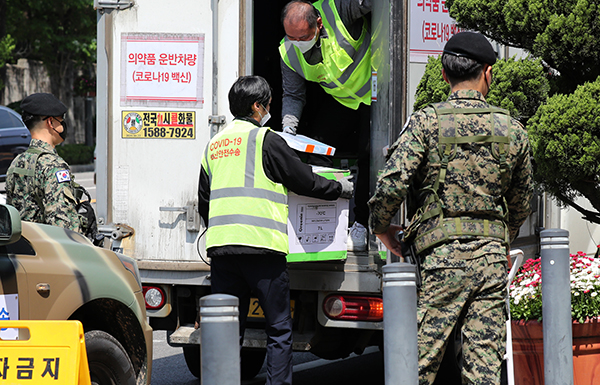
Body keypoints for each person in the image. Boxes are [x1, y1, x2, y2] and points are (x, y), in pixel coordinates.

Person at [368, 32, 534, 384]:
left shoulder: (426, 122)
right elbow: (521, 203)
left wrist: (381, 228)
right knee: (484, 371)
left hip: (440, 260)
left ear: (444, 75)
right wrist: (501, 241)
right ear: (488, 72)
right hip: (490, 262)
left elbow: (391, 184)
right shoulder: (512, 129)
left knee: (415, 368)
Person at [197, 75, 353, 385]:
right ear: (257, 107)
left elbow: (204, 201)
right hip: (262, 251)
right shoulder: (267, 140)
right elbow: (304, 180)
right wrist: (340, 188)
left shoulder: (213, 145)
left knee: (228, 329)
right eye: (268, 104)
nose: (269, 110)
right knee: (279, 328)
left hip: (223, 251)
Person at [279, 0, 372, 251]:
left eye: (303, 36)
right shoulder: (288, 52)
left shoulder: (339, 10)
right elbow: (293, 95)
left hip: (374, 97)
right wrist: (289, 131)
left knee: (367, 154)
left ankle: (361, 223)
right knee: (314, 149)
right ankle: (319, 222)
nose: (297, 42)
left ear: (318, 24)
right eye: (291, 37)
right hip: (342, 101)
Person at [6, 93, 83, 234]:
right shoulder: (54, 166)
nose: (62, 125)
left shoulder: (16, 162)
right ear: (50, 122)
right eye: (61, 120)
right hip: (47, 250)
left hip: (23, 249)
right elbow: (64, 227)